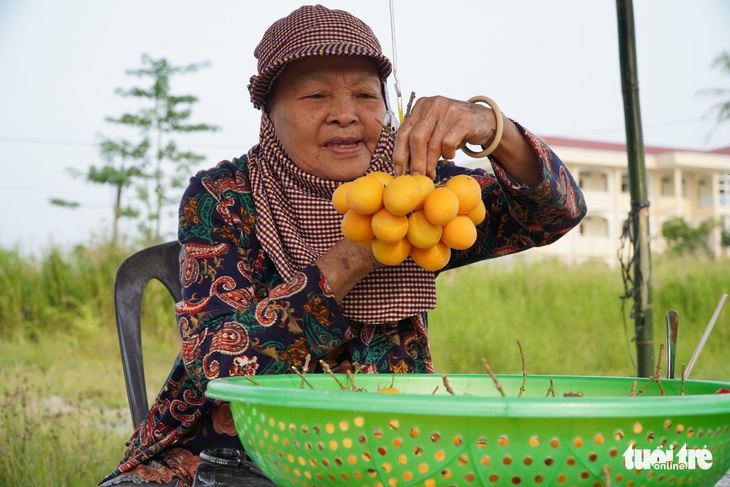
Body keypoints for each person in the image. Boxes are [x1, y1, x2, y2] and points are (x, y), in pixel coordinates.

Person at [100, 4, 586, 486]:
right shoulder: (224, 198)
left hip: (385, 449)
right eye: (315, 95)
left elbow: (556, 211)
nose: (345, 115)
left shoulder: (418, 189)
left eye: (365, 94)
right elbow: (215, 363)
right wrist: (360, 251)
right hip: (230, 459)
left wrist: (490, 128)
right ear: (270, 115)